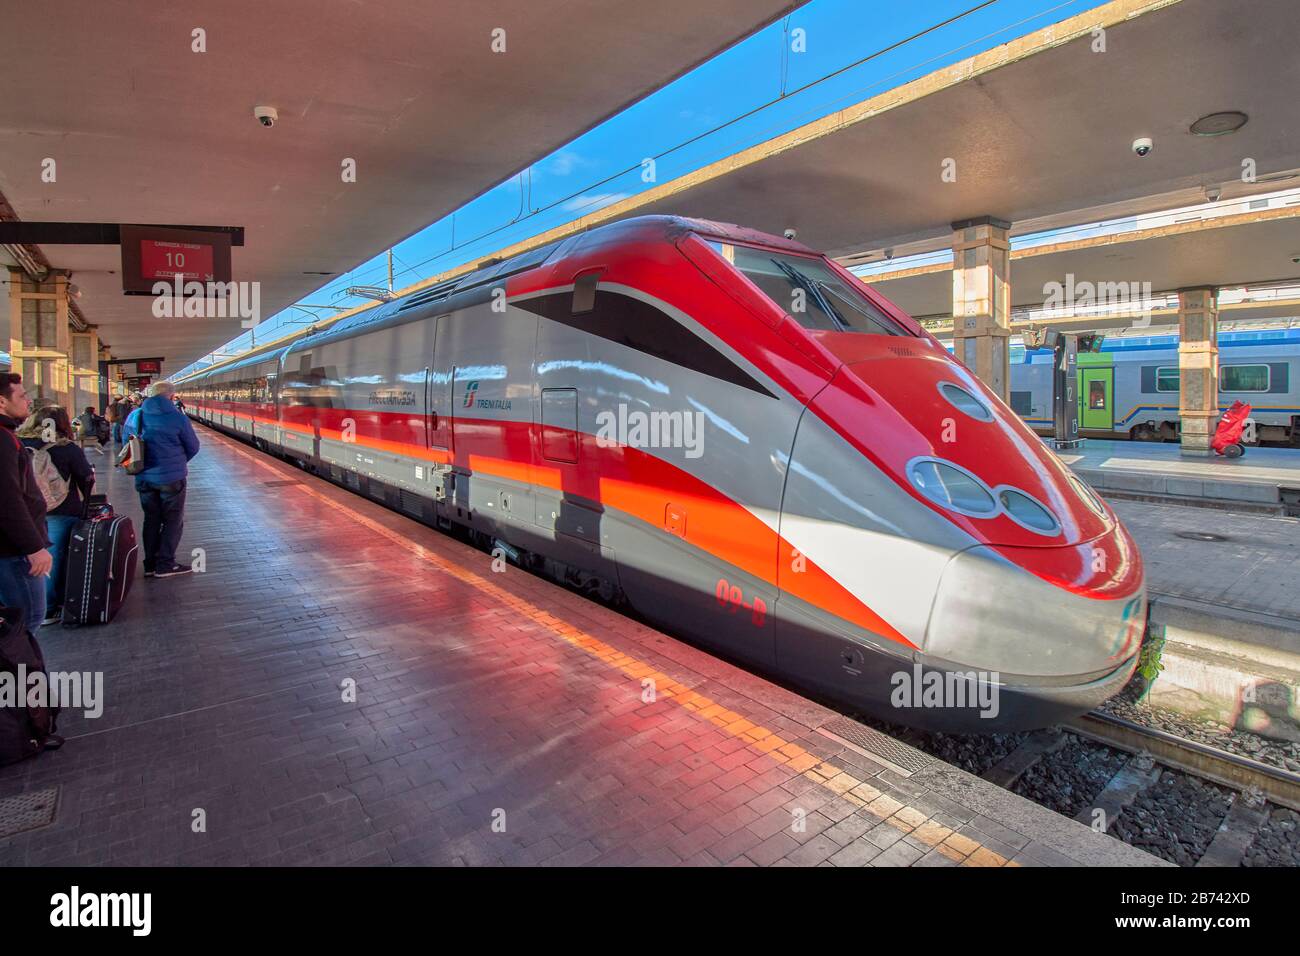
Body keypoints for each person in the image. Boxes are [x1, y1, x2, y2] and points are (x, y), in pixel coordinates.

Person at [18, 405, 95, 624]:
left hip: (23, 512)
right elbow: (86, 479)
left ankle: (25, 606)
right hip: (60, 510)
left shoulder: (18, 444)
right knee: (54, 557)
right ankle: (48, 608)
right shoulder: (67, 448)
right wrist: (87, 506)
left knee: (24, 559)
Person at [123, 380, 200, 578]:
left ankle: (149, 564)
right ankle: (165, 564)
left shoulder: (135, 415)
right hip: (172, 478)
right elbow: (193, 446)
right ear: (171, 396)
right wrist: (177, 463)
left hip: (144, 478)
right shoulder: (177, 417)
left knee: (151, 519)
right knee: (172, 520)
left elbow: (126, 445)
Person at [0, 374, 52, 629]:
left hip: (10, 549)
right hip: (13, 551)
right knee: (27, 621)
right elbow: (7, 499)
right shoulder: (3, 440)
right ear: (2, 402)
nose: (28, 401)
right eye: (21, 396)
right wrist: (34, 547)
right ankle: (24, 668)